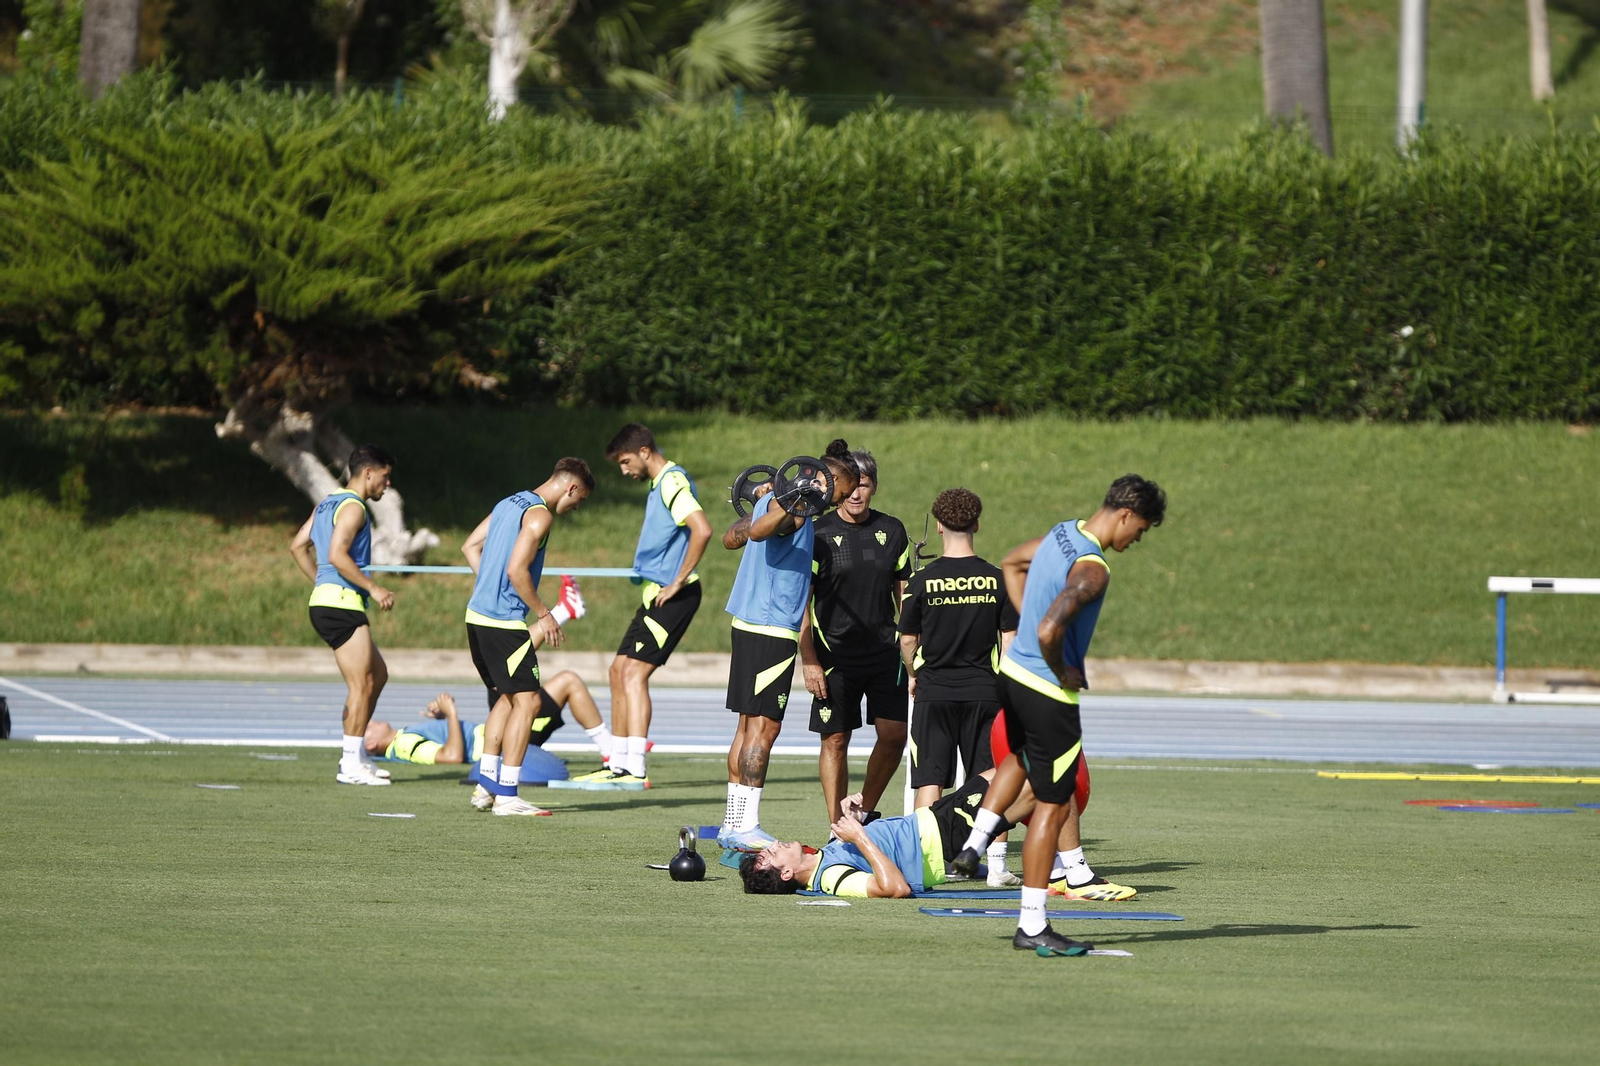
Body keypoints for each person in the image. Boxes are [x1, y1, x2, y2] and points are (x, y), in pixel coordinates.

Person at [948, 474, 1166, 954]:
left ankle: (976, 843)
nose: (1137, 540)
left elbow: (1012, 562)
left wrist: (1027, 627)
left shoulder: (1063, 532)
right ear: (1126, 515)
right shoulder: (1093, 568)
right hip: (1047, 692)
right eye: (1141, 529)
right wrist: (1064, 669)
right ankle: (1032, 925)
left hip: (1011, 675)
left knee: (1017, 759)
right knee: (1053, 805)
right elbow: (1050, 629)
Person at [738, 777, 1091, 956]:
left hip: (934, 819)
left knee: (1016, 766)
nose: (775, 844)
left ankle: (1062, 867)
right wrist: (860, 837)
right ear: (786, 873)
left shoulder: (821, 859)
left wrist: (859, 821)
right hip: (943, 837)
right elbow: (894, 887)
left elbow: (875, 849)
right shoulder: (832, 879)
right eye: (771, 855)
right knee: (1047, 781)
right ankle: (1074, 872)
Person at [718, 442, 859, 852]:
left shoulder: (779, 501)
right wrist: (789, 504)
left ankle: (733, 823)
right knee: (765, 727)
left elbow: (730, 538)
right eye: (841, 492)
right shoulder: (795, 509)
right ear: (825, 481)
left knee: (747, 726)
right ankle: (746, 825)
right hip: (771, 628)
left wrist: (770, 501)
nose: (841, 501)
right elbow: (755, 533)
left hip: (747, 622)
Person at [566, 423, 712, 790]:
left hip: (675, 597)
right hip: (655, 596)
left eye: (625, 461)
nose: (624, 470)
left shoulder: (672, 481)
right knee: (618, 671)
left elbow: (702, 529)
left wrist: (677, 581)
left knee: (633, 675)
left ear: (645, 452)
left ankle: (635, 768)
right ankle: (617, 764)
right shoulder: (657, 484)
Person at [897, 487, 1021, 887]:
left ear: (938, 526)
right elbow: (1010, 642)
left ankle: (924, 863)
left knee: (929, 779)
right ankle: (997, 866)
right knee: (993, 776)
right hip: (985, 692)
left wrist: (913, 673)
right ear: (977, 524)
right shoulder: (998, 579)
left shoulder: (920, 580)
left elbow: (908, 640)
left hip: (934, 691)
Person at [461, 457, 595, 816]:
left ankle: (486, 786)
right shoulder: (540, 515)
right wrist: (544, 614)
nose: (576, 507)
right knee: (529, 703)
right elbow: (516, 570)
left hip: (477, 617)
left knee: (507, 699)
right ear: (571, 487)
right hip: (504, 622)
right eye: (579, 500)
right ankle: (507, 795)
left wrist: (488, 586)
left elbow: (469, 546)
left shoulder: (509, 502)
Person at [800, 447, 912, 826]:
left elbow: (905, 598)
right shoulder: (817, 533)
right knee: (835, 740)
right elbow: (801, 604)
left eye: (864, 485)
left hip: (885, 654)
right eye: (850, 487)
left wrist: (913, 650)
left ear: (874, 486)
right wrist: (809, 659)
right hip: (834, 656)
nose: (856, 494)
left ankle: (859, 814)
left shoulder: (893, 530)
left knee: (894, 735)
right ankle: (837, 828)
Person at [289, 444, 399, 787]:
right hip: (341, 604)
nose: (387, 484)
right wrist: (374, 588)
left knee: (377, 675)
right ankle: (350, 764)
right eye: (385, 477)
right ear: (368, 473)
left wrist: (321, 583)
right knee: (360, 685)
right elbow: (337, 555)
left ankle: (356, 755)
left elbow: (297, 546)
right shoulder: (354, 508)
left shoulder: (328, 502)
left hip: (331, 600)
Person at [364, 669, 610, 769]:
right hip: (503, 741)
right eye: (368, 728)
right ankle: (562, 611)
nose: (371, 721)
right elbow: (452, 757)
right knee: (502, 674)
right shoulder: (403, 745)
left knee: (508, 676)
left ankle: (562, 612)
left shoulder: (403, 739)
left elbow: (448, 745)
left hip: (503, 734)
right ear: (372, 744)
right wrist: (451, 713)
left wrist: (442, 719)